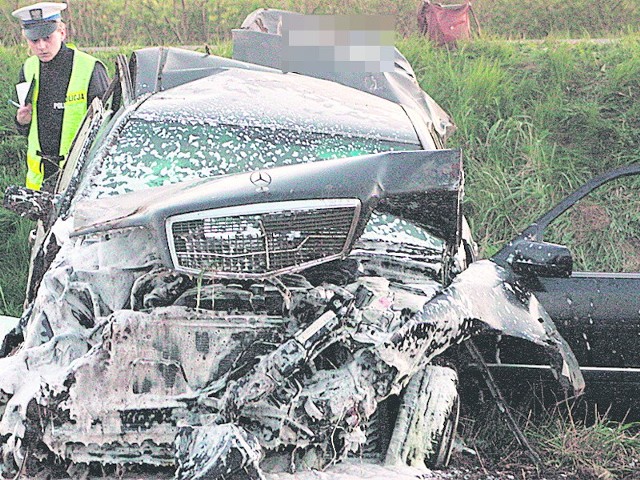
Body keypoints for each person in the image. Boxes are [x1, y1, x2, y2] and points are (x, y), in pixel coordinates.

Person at [12, 2, 110, 191]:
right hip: (40, 182)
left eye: (47, 38)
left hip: (80, 178)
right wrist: (22, 121)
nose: (41, 46)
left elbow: (107, 128)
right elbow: (26, 130)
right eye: (34, 41)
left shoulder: (90, 68)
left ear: (62, 33)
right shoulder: (28, 68)